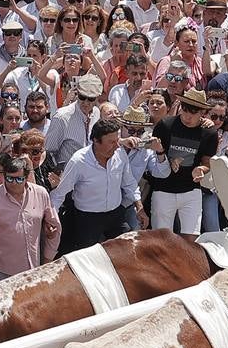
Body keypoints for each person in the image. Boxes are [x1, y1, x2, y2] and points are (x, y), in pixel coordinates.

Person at [51, 117, 148, 251]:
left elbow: (129, 183)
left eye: (117, 140)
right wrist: (52, 221)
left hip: (115, 216)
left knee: (127, 250)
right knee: (88, 259)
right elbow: (59, 194)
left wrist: (140, 207)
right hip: (87, 219)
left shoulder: (120, 154)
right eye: (112, 142)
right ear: (96, 141)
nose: (117, 146)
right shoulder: (79, 161)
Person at [0, 153, 59, 282]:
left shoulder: (41, 194)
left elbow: (54, 227)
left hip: (34, 268)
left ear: (26, 177)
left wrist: (48, 259)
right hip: (2, 272)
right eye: (9, 179)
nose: (13, 183)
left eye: (18, 179)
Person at [150, 88, 218, 234]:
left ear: (203, 113)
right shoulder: (165, 125)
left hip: (191, 191)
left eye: (193, 112)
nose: (187, 116)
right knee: (161, 240)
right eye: (185, 110)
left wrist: (201, 170)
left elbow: (207, 162)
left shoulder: (209, 133)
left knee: (191, 238)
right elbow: (152, 157)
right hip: (163, 190)